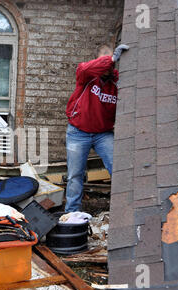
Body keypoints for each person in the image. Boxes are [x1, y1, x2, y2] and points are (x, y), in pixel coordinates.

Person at [64, 44, 129, 213]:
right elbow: (84, 68)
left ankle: (123, 211)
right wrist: (110, 58)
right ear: (97, 60)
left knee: (118, 169)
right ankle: (72, 214)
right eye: (104, 59)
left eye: (111, 59)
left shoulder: (118, 82)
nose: (108, 63)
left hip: (103, 134)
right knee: (74, 176)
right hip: (78, 132)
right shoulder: (86, 75)